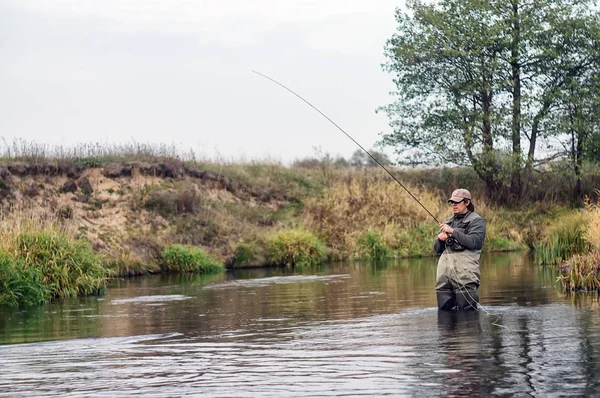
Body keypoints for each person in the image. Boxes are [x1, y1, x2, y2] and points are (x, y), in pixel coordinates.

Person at [434, 189, 486, 310]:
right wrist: (440, 240)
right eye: (452, 202)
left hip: (465, 276)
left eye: (457, 202)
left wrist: (453, 232)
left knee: (468, 314)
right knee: (444, 315)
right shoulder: (448, 222)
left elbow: (475, 243)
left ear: (467, 202)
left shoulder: (477, 221)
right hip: (444, 278)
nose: (454, 205)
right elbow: (436, 250)